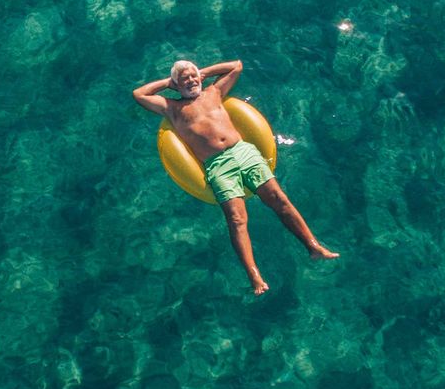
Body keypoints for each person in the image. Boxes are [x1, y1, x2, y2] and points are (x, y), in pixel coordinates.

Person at [133, 59, 339, 294]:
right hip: (218, 165)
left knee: (279, 200)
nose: (190, 81)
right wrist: (168, 82)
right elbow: (139, 93)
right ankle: (255, 277)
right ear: (176, 86)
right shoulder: (171, 108)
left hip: (243, 151)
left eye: (193, 76)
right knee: (237, 220)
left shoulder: (213, 92)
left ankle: (314, 247)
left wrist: (201, 73)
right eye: (184, 79)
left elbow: (237, 66)